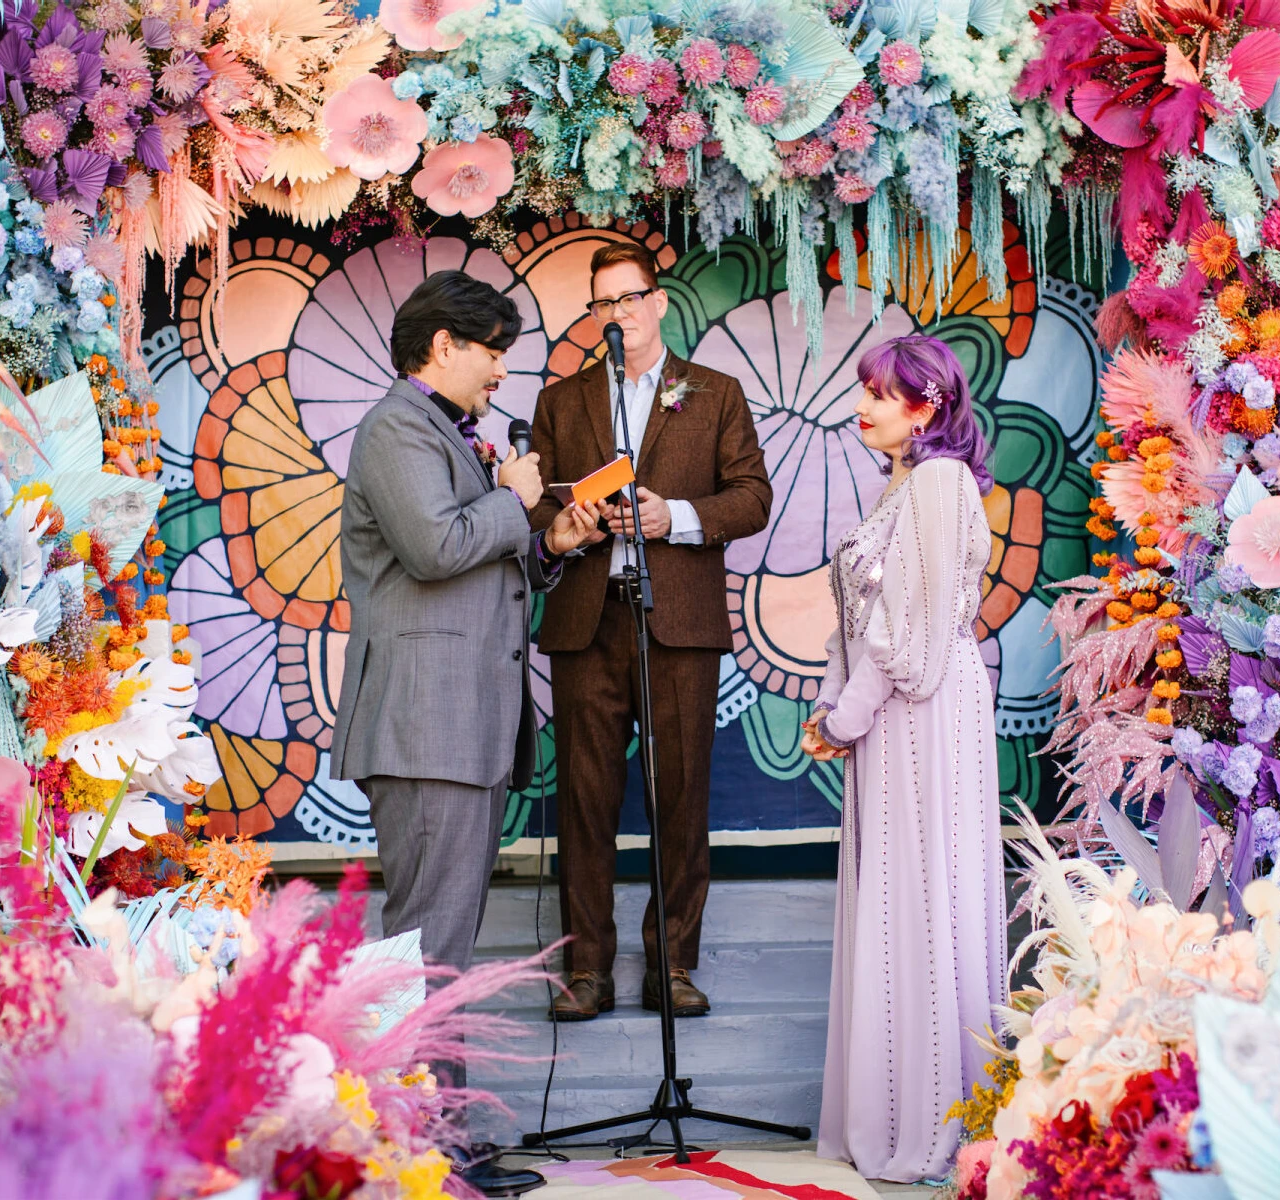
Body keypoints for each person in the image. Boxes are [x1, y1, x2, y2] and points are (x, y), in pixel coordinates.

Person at [330, 270, 603, 1194]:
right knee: (426, 944)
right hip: (426, 720)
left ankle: (427, 1132)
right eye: (491, 352)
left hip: (460, 721)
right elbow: (437, 547)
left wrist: (551, 542)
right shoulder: (396, 428)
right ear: (442, 346)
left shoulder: (441, 429)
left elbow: (475, 557)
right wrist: (519, 495)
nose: (499, 372)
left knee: (440, 940)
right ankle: (417, 1149)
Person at [528, 242, 772, 1021]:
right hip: (586, 622)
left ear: (660, 303)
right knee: (585, 801)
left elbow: (753, 498)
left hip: (680, 622)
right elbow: (534, 506)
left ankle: (671, 965)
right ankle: (587, 970)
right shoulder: (562, 401)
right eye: (604, 303)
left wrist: (680, 517)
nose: (618, 315)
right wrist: (568, 524)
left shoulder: (714, 393)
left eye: (630, 299)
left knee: (681, 799)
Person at [804, 334, 1005, 1184]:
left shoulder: (937, 480)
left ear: (926, 405)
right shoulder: (905, 484)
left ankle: (933, 1118)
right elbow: (864, 618)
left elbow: (910, 636)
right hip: (892, 713)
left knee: (926, 897)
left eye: (882, 394)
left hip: (918, 713)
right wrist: (832, 706)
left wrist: (843, 719)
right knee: (903, 897)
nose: (866, 405)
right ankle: (893, 1107)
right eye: (865, 390)